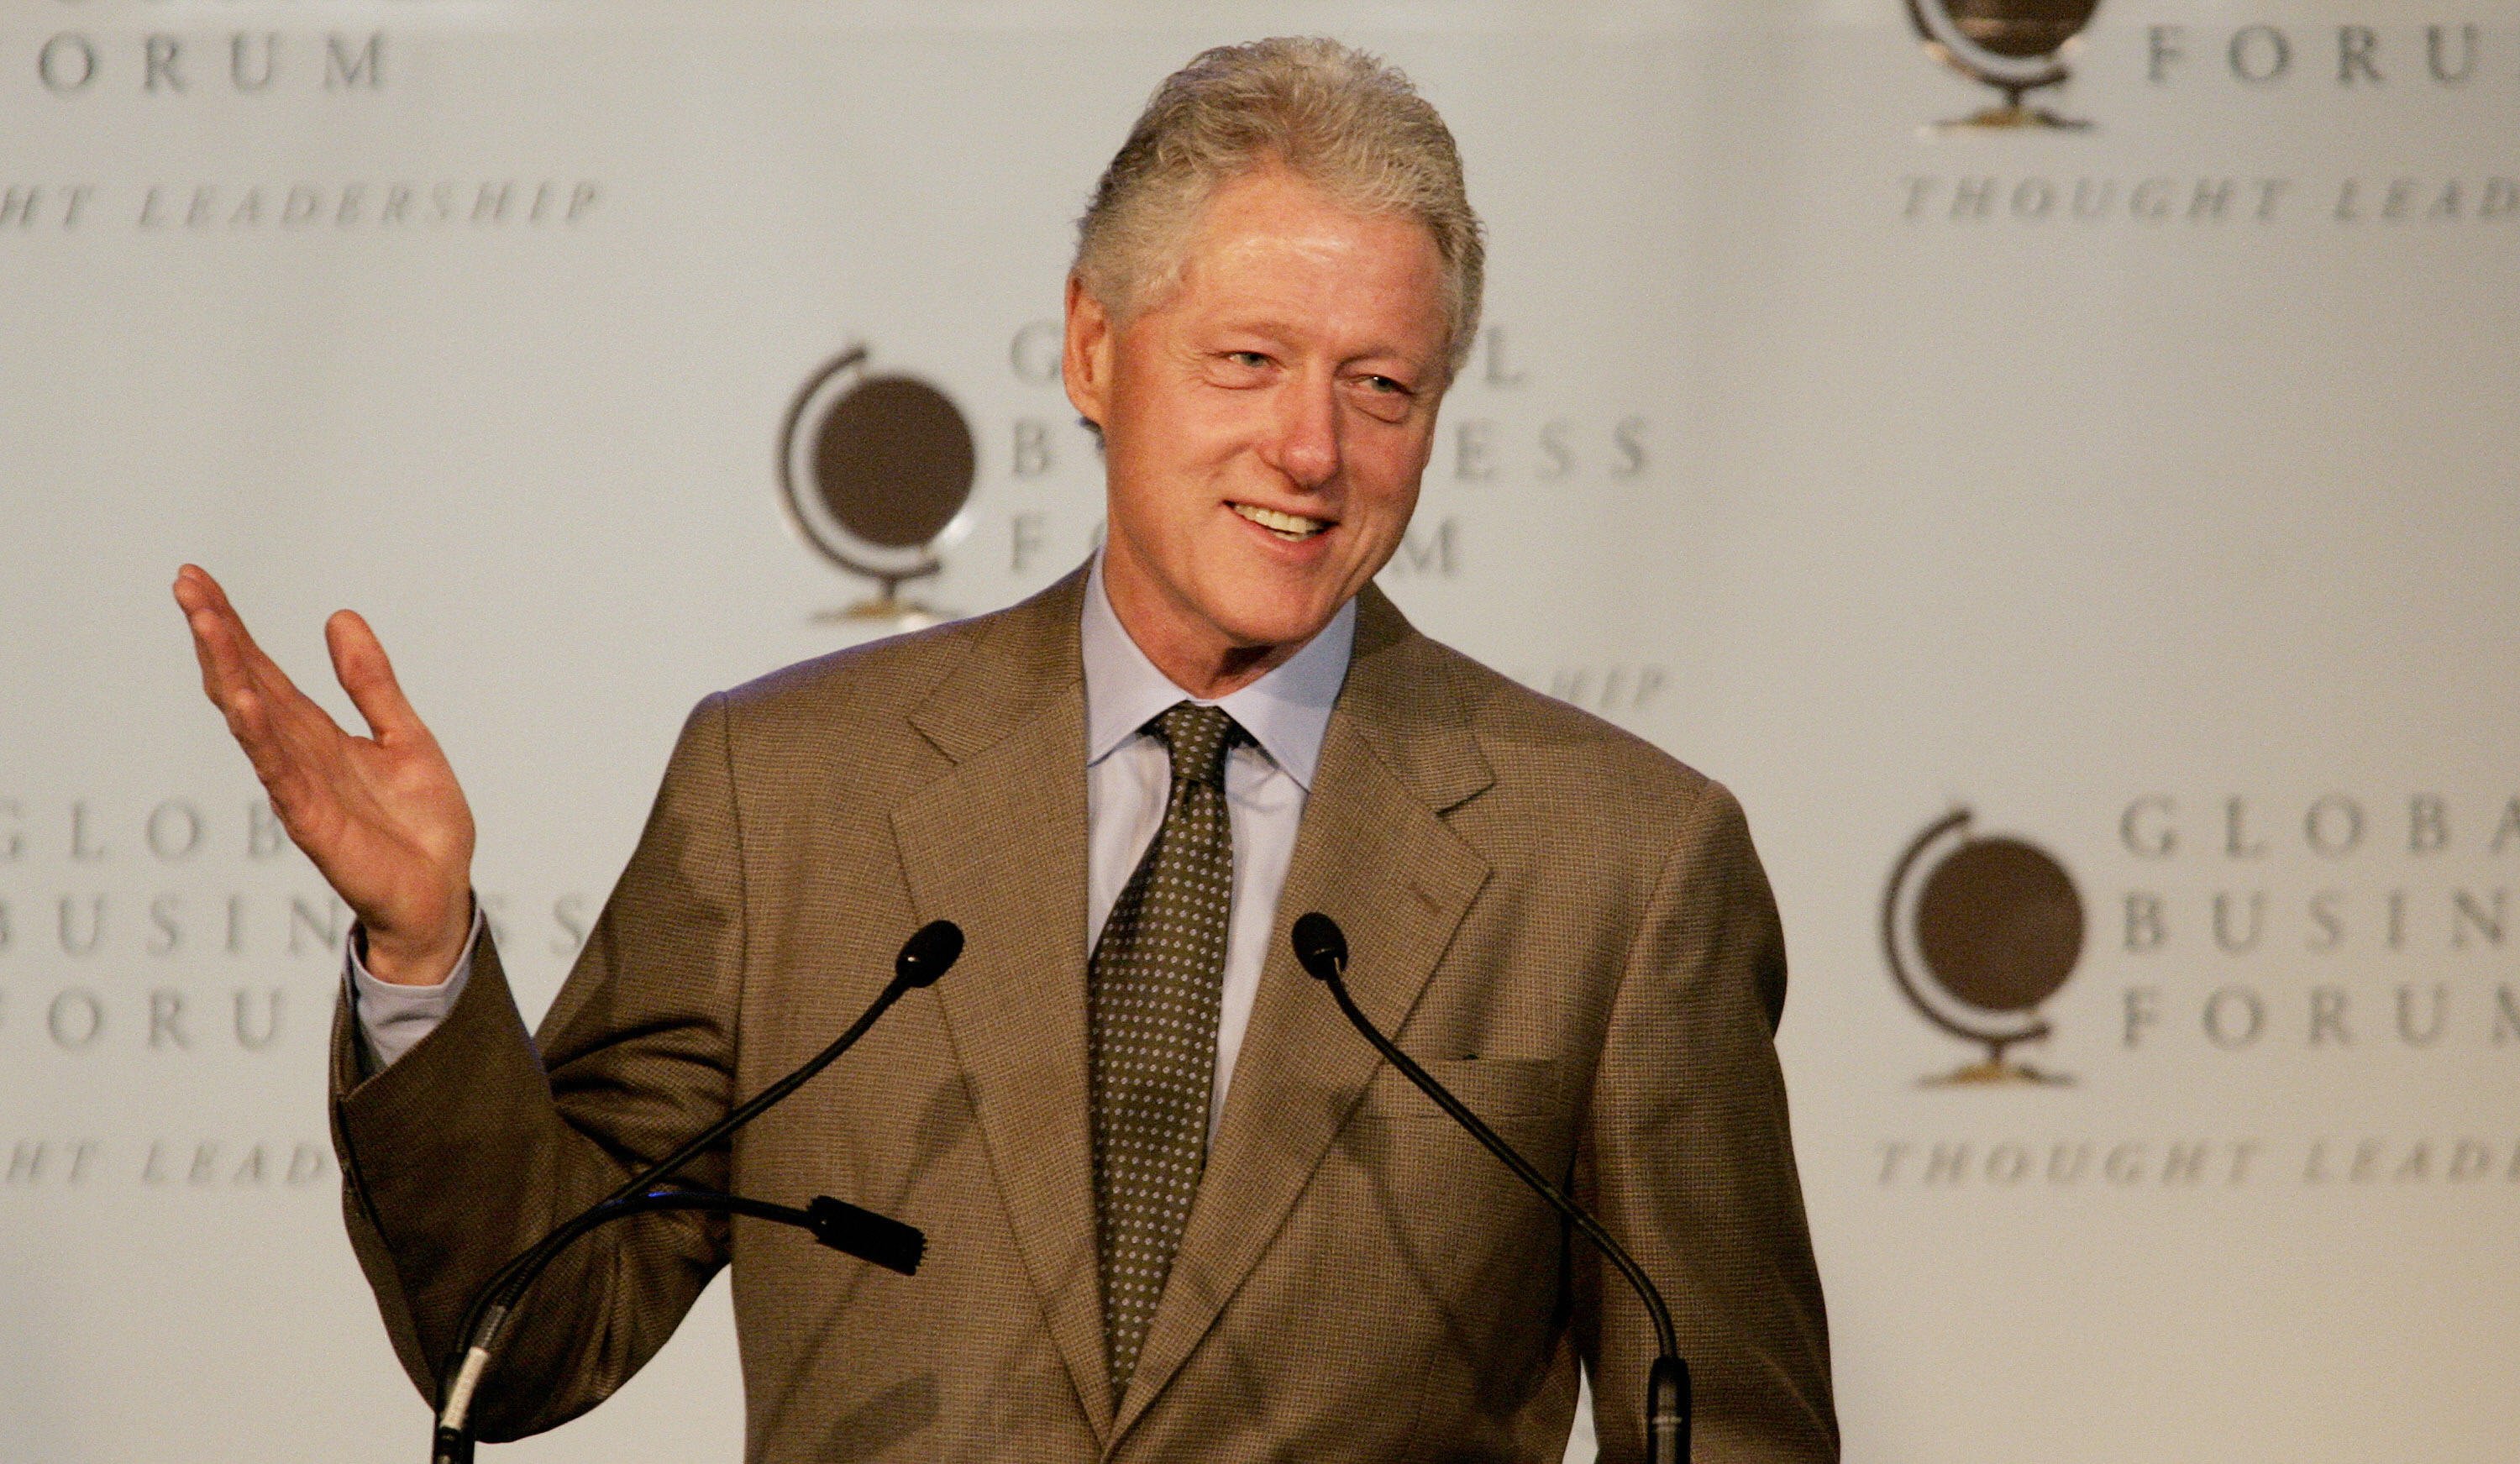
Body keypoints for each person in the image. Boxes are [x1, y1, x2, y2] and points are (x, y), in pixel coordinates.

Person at [174, 38, 1835, 1463]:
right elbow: (530, 1327)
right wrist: (422, 946)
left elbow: (1730, 1424)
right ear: (1096, 348)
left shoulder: (1620, 863)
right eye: (1248, 359)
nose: (1313, 447)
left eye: (1381, 385)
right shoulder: (789, 792)